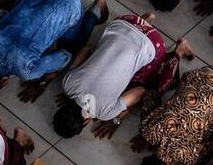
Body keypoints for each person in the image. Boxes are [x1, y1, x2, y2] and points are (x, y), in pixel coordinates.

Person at [54, 14, 187, 138]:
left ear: (85, 123)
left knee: (156, 89)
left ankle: (179, 50)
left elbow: (140, 91)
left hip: (153, 43)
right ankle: (147, 19)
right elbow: (85, 50)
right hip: (125, 22)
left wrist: (117, 119)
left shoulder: (104, 113)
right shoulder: (67, 84)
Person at [0, 0, 103, 95]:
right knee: (16, 7)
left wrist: (44, 81)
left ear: (4, 82)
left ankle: (96, 8)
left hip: (70, 2)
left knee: (74, 45)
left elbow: (65, 56)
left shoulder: (27, 71)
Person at [132, 65, 213, 165]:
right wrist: (147, 125)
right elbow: (150, 95)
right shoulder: (148, 129)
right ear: (145, 158)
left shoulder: (190, 157)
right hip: (200, 73)